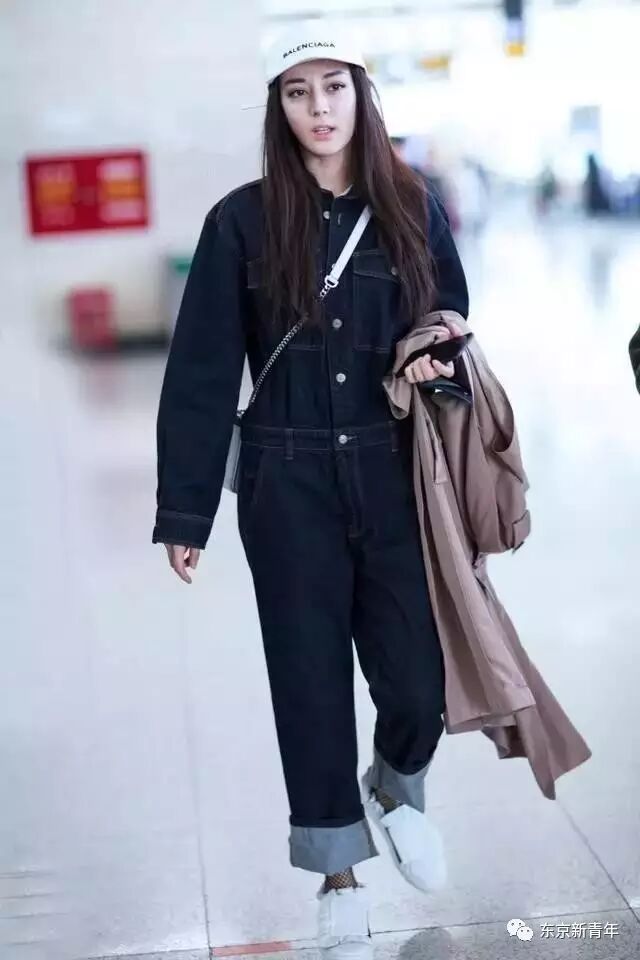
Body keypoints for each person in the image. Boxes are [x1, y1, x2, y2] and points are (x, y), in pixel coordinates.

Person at [152, 22, 469, 959]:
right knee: (309, 682)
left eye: (334, 87)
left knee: (417, 678)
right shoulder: (240, 223)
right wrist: (185, 510)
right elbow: (202, 371)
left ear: (362, 95)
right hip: (284, 479)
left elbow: (451, 320)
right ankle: (338, 879)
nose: (320, 108)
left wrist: (433, 362)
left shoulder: (412, 206)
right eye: (299, 93)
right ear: (278, 108)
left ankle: (398, 783)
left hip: (389, 465)